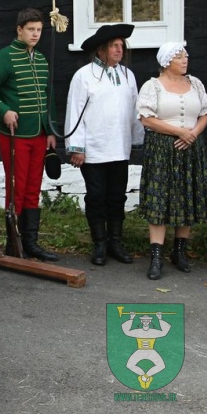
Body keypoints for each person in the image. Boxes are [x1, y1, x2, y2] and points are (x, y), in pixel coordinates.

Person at [0, 7, 59, 261]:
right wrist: (3, 111)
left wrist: (50, 130)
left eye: (38, 30)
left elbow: (48, 97)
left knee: (34, 187)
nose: (35, 35)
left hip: (38, 135)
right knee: (16, 187)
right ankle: (14, 243)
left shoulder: (42, 59)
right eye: (31, 30)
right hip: (15, 134)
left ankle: (31, 242)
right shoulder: (5, 57)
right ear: (19, 30)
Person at [65, 24, 144, 266]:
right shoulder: (84, 76)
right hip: (94, 150)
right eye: (114, 46)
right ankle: (99, 244)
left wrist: (136, 140)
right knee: (97, 196)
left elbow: (134, 111)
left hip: (119, 148)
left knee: (117, 196)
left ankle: (115, 242)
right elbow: (74, 111)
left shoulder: (127, 75)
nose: (120, 50)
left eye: (122, 46)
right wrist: (76, 147)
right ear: (101, 50)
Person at [137, 42, 207, 280]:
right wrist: (179, 132)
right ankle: (156, 256)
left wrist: (192, 134)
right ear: (167, 61)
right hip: (162, 149)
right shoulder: (153, 86)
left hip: (191, 148)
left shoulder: (195, 83)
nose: (185, 60)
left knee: (186, 197)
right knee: (160, 200)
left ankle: (180, 252)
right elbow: (146, 119)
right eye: (180, 57)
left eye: (186, 56)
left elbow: (205, 113)